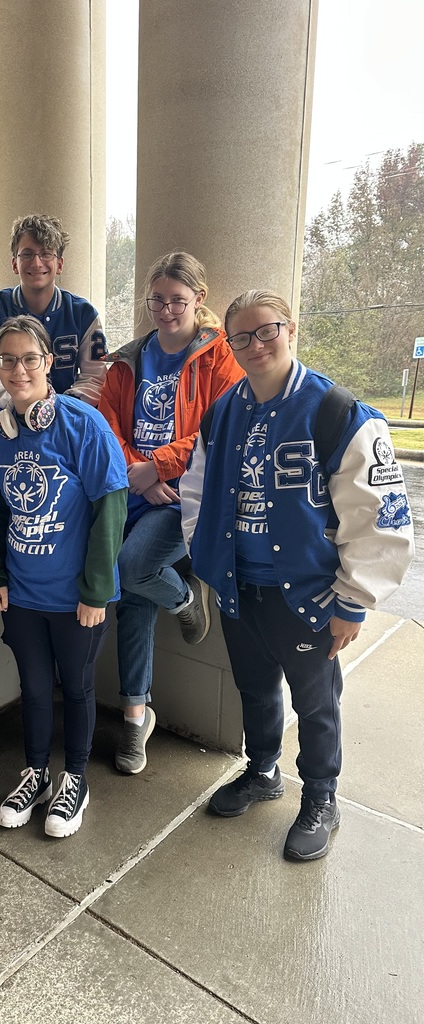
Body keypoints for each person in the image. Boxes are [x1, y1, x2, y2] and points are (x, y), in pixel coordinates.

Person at [181, 289, 414, 860]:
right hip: (242, 588)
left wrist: (353, 601)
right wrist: (207, 555)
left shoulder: (337, 412)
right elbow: (195, 492)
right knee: (254, 689)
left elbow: (379, 513)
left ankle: (321, 797)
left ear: (291, 329)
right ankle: (262, 772)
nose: (256, 344)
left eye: (268, 330)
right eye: (242, 336)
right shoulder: (224, 411)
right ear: (229, 343)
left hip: (309, 594)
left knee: (315, 702)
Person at [98, 252, 244, 774]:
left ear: (199, 300)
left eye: (177, 300)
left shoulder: (219, 357)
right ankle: (136, 717)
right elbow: (107, 428)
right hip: (135, 492)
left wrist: (160, 467)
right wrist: (139, 470)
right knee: (131, 599)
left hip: (187, 499)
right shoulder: (128, 359)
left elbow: (217, 428)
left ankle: (186, 599)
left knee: (129, 569)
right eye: (156, 299)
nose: (165, 310)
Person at [0, 316, 128, 838]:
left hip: (76, 599)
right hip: (22, 594)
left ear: (48, 363)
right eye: (7, 359)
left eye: (28, 359)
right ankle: (36, 772)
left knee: (80, 687)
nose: (17, 369)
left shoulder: (80, 424)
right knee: (35, 688)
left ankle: (76, 779)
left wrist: (94, 590)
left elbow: (111, 506)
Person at [0, 214, 108, 420]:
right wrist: (26, 410)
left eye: (46, 254)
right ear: (15, 264)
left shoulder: (83, 314)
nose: (36, 262)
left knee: (93, 419)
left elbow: (95, 377)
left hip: (64, 412)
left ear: (59, 264)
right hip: (7, 412)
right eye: (27, 254)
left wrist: (57, 408)